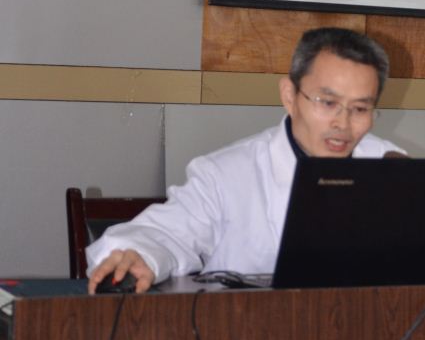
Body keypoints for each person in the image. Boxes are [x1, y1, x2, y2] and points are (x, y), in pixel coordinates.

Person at [86, 27, 404, 294]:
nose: (343, 123)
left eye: (360, 109)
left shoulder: (391, 166)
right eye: (328, 102)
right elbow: (164, 235)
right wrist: (138, 256)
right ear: (289, 96)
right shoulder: (225, 175)